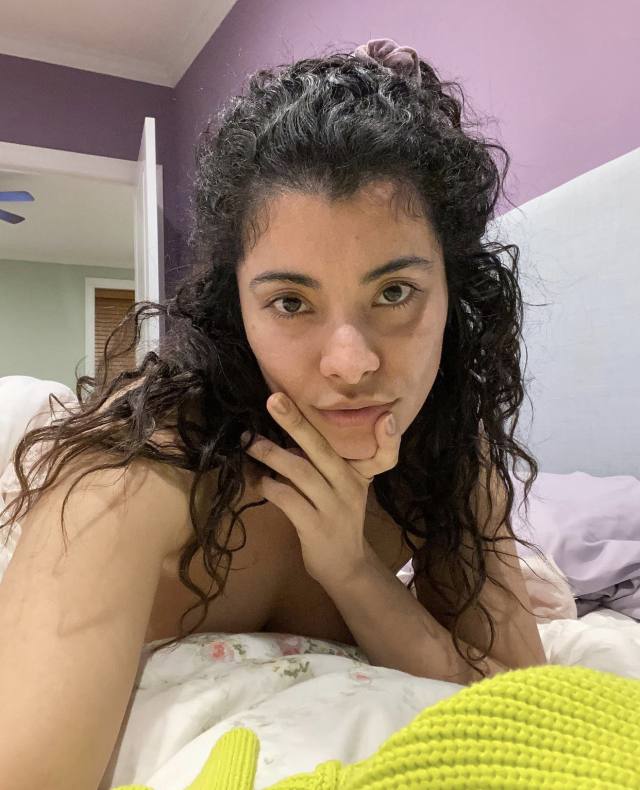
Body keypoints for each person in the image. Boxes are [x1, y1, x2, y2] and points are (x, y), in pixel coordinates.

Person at [0, 38, 548, 790]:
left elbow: (524, 699)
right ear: (237, 310)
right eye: (291, 302)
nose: (350, 363)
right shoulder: (136, 478)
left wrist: (353, 569)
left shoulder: (447, 451)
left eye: (394, 293)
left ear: (456, 292)